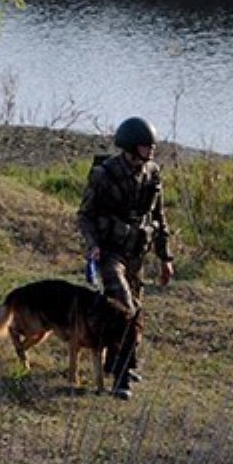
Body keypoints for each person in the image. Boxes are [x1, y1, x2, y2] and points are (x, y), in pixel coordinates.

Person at [77, 116, 175, 398]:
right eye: (146, 146)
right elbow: (85, 215)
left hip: (137, 254)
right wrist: (93, 244)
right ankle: (121, 379)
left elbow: (159, 217)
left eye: (152, 146)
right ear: (132, 147)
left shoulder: (152, 173)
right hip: (110, 252)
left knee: (137, 313)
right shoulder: (104, 174)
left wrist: (165, 257)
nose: (152, 151)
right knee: (124, 308)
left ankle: (122, 363)